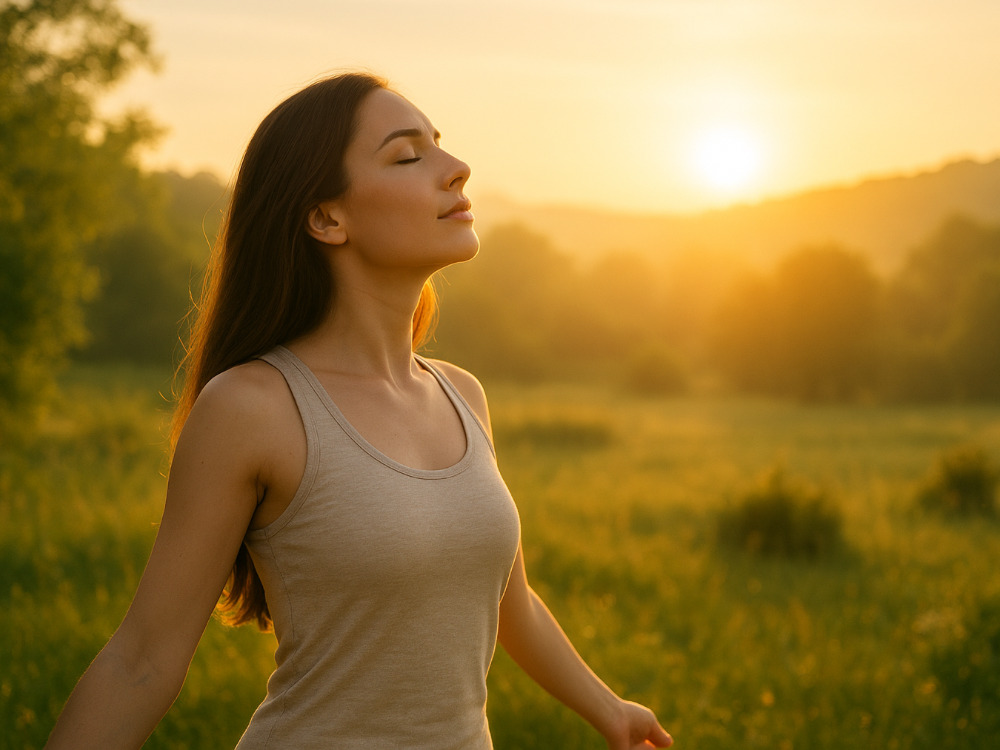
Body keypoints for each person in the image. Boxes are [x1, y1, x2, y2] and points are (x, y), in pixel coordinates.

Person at [45, 72, 673, 750]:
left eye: (440, 147)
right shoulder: (254, 407)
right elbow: (142, 660)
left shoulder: (462, 395)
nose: (458, 170)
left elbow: (505, 600)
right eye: (408, 156)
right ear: (326, 217)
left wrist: (607, 707)